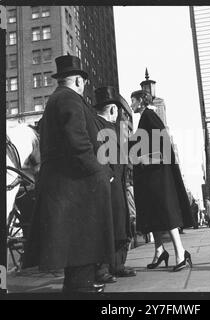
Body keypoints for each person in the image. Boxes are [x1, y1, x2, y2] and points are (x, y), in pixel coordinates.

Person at [23, 55, 115, 293]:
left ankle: (77, 282)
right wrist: (97, 170)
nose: (84, 85)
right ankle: (80, 284)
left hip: (65, 181)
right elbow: (77, 140)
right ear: (76, 80)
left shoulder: (58, 99)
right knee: (83, 232)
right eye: (83, 81)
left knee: (76, 234)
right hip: (75, 181)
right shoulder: (69, 99)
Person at [130, 90, 193, 272]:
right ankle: (160, 251)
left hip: (158, 175)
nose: (132, 104)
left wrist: (146, 159)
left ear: (141, 101)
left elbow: (164, 144)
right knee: (153, 213)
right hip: (150, 176)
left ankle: (180, 253)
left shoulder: (150, 115)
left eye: (133, 100)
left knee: (165, 212)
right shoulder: (144, 118)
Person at [93, 86, 136, 283]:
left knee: (120, 224)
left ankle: (117, 265)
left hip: (117, 184)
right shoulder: (100, 127)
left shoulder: (107, 127)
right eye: (118, 110)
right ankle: (102, 269)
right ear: (112, 109)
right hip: (107, 184)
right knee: (108, 225)